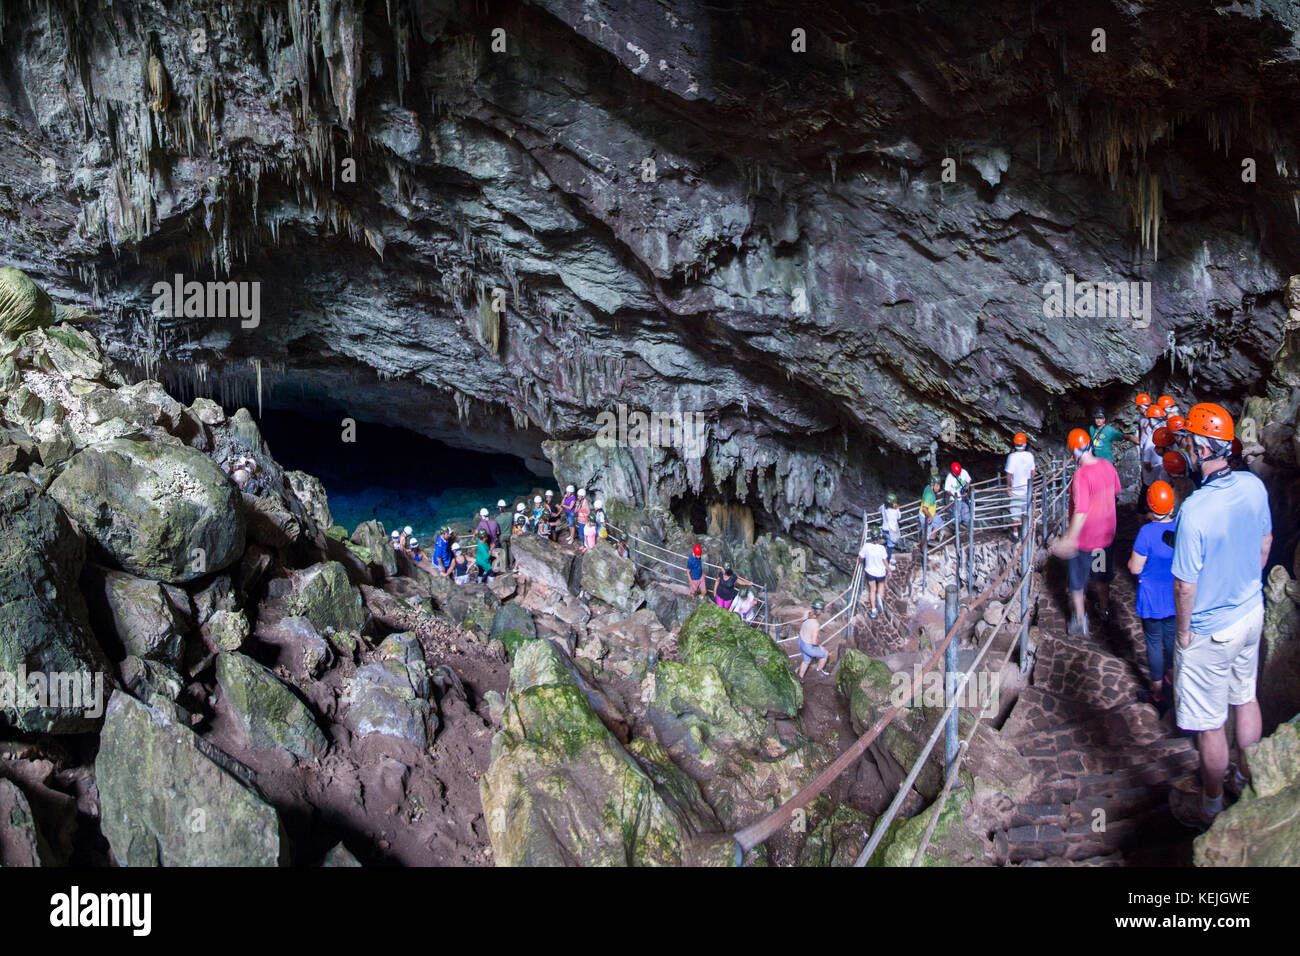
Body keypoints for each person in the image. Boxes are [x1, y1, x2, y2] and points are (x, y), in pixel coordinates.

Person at [1167, 403, 1272, 830]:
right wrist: (1243, 584)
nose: (1186, 449)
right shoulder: (1252, 486)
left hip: (1210, 630)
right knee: (1245, 697)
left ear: (1205, 448)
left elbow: (1184, 586)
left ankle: (1211, 805)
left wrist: (1184, 632)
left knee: (1211, 725)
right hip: (1251, 612)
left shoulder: (1194, 510)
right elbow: (1265, 544)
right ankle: (1247, 777)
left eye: (1190, 442)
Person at [1050, 428, 1122, 637]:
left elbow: (1081, 511)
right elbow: (1115, 493)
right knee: (1100, 576)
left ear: (1074, 452)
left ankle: (1080, 620)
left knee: (1077, 582)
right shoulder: (1108, 466)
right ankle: (1104, 608)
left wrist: (1069, 540)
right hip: (1105, 538)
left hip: (1084, 542)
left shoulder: (1081, 475)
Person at [1128, 481, 1178, 709]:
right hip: (1174, 597)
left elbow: (1135, 568)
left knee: (1154, 643)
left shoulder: (1146, 532)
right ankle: (1173, 683)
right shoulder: (1181, 528)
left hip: (1151, 598)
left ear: (1150, 505)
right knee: (1171, 641)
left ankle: (1157, 693)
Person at [1004, 432, 1036, 539]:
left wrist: (1008, 486)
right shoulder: (1029, 456)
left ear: (1015, 444)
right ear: (1025, 444)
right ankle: (1027, 531)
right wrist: (1031, 483)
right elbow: (1033, 472)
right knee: (1027, 509)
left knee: (1015, 512)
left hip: (1016, 489)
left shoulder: (1011, 457)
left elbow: (1009, 474)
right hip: (1027, 488)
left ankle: (1015, 533)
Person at [858, 526, 890, 618]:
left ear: (871, 537)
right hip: (880, 573)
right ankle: (879, 598)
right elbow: (885, 561)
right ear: (879, 537)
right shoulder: (881, 548)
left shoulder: (866, 546)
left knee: (872, 590)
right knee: (881, 587)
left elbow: (861, 558)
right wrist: (889, 570)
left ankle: (873, 610)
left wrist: (859, 559)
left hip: (870, 572)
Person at [796, 601, 829, 679]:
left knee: (806, 661)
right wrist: (820, 646)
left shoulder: (806, 613)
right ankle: (818, 672)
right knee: (825, 654)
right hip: (808, 646)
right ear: (820, 612)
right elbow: (814, 642)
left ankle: (800, 677)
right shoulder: (815, 624)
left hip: (801, 641)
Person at [944, 461, 972, 528]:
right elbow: (947, 490)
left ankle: (966, 527)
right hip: (955, 499)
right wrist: (953, 495)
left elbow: (968, 481)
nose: (958, 475)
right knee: (956, 515)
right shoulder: (949, 477)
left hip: (964, 498)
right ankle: (956, 529)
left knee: (966, 511)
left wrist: (966, 490)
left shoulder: (963, 472)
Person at [879, 493, 901, 569]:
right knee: (890, 547)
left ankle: (887, 559)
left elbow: (879, 510)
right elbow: (899, 517)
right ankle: (887, 564)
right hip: (890, 531)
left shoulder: (883, 506)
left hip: (884, 528)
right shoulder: (894, 511)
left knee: (887, 546)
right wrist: (897, 508)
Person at [920, 473, 944, 539]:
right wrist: (930, 516)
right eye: (937, 486)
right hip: (926, 516)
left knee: (940, 523)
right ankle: (925, 546)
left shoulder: (928, 487)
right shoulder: (929, 495)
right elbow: (924, 508)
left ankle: (932, 538)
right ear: (932, 485)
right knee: (926, 535)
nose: (939, 488)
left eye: (939, 486)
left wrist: (935, 493)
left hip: (932, 513)